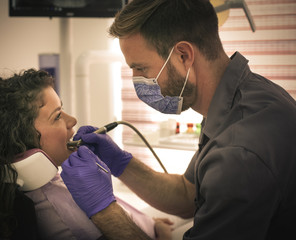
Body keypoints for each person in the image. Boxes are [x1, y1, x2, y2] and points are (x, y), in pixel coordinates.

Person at [60, 0, 296, 239]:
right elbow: (187, 195)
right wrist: (121, 163)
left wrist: (103, 211)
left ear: (183, 55)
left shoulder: (239, 151)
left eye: (141, 68)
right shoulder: (238, 99)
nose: (136, 81)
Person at [0, 69, 172, 240]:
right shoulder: (57, 209)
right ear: (21, 139)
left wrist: (144, 221)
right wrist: (163, 234)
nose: (72, 120)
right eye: (57, 116)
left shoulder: (36, 191)